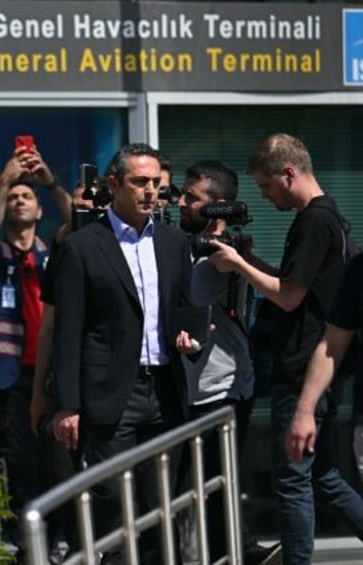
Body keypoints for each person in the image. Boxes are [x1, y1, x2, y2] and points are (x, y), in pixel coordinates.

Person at [208, 133, 363, 564]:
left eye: (266, 186)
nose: (265, 196)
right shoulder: (330, 217)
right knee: (322, 475)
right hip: (320, 365)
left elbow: (291, 296)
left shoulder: (314, 221)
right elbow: (304, 290)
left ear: (288, 174)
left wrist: (238, 265)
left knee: (294, 480)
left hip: (304, 368)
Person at [52, 143, 192, 563]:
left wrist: (191, 336)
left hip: (165, 387)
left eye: (155, 183)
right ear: (113, 185)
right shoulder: (82, 246)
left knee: (160, 499)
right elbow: (68, 331)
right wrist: (67, 405)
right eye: (139, 182)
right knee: (112, 495)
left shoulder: (172, 241)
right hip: (112, 391)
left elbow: (183, 308)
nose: (150, 192)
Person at [174, 160, 277, 563]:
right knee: (196, 489)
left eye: (192, 198)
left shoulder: (226, 256)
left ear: (218, 206)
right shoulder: (185, 248)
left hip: (223, 388)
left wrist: (231, 255)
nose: (180, 202)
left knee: (218, 487)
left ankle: (242, 553)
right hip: (190, 389)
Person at [0, 142, 71, 554]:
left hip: (49, 372)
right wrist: (4, 181)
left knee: (56, 463)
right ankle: (25, 544)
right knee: (19, 463)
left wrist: (48, 181)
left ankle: (54, 538)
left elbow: (79, 220)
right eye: (13, 197)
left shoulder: (54, 251)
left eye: (25, 196)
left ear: (39, 210)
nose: (18, 200)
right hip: (10, 375)